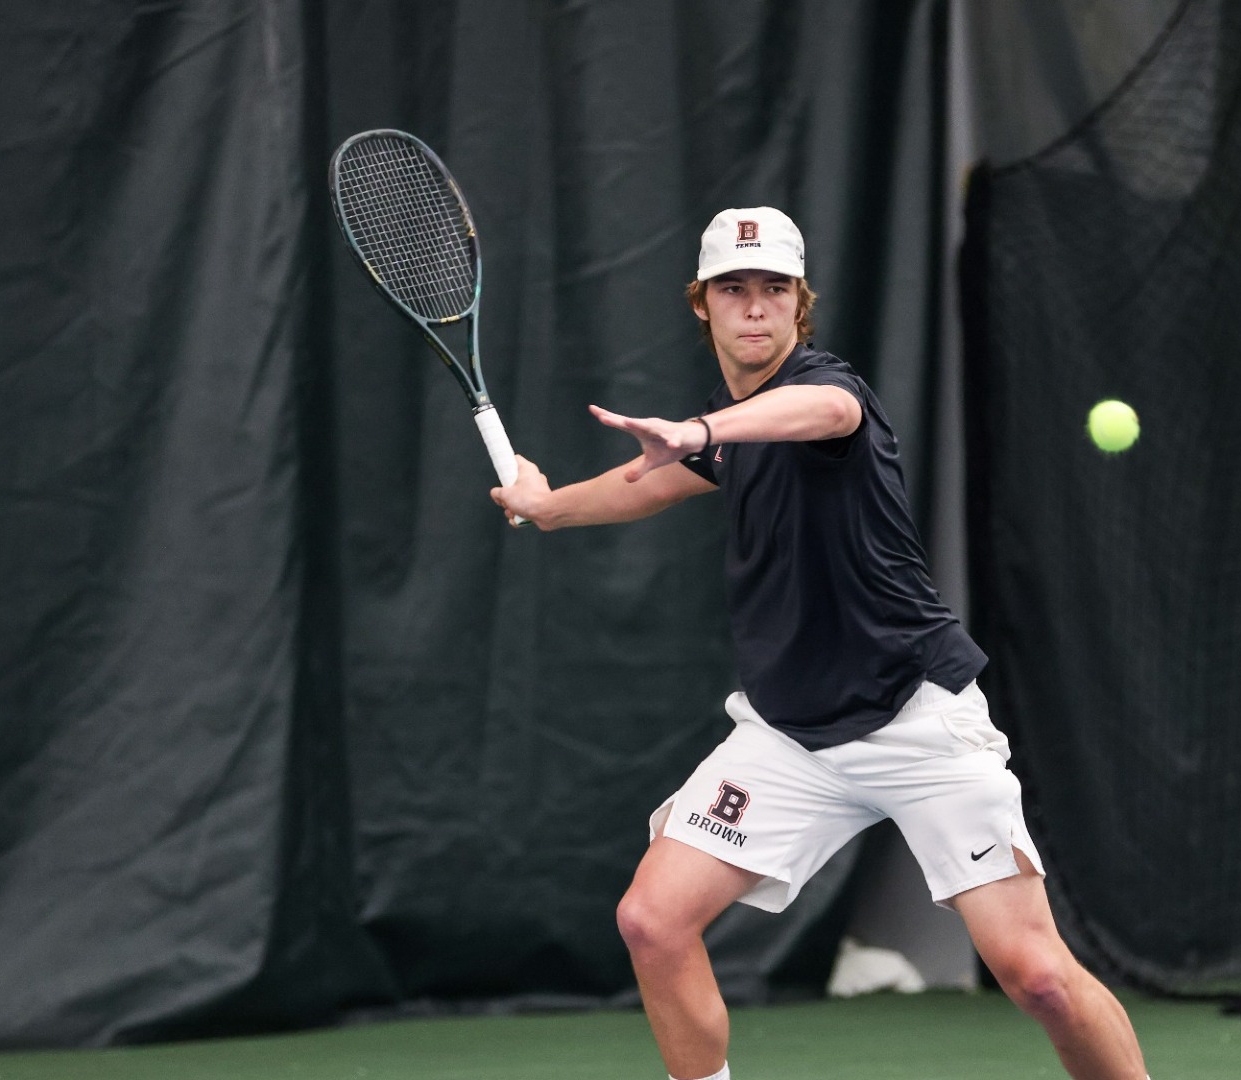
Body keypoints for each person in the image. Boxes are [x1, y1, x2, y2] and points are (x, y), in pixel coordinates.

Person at [491, 207, 1150, 1080]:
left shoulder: (825, 395)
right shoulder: (729, 433)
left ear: (801, 305)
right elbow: (641, 484)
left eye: (774, 290)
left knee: (1040, 981)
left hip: (916, 716)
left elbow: (819, 412)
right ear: (703, 305)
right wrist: (548, 504)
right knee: (652, 921)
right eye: (735, 289)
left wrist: (703, 430)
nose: (755, 307)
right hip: (791, 734)